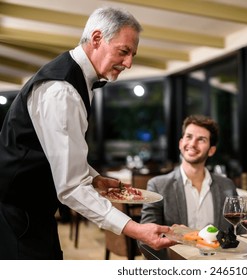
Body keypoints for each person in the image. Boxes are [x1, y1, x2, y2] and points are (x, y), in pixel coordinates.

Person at [0, 7, 174, 260]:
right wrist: (136, 229)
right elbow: (70, 187)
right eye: (123, 52)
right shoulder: (61, 90)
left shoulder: (76, 80)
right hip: (15, 215)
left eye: (132, 55)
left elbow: (60, 156)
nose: (129, 63)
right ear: (96, 39)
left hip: (32, 211)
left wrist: (95, 178)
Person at [140, 115, 247, 258]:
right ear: (180, 143)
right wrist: (175, 235)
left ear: (211, 150)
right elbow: (145, 237)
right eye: (189, 137)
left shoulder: (226, 185)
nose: (193, 144)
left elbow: (237, 228)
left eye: (201, 139)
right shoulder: (158, 185)